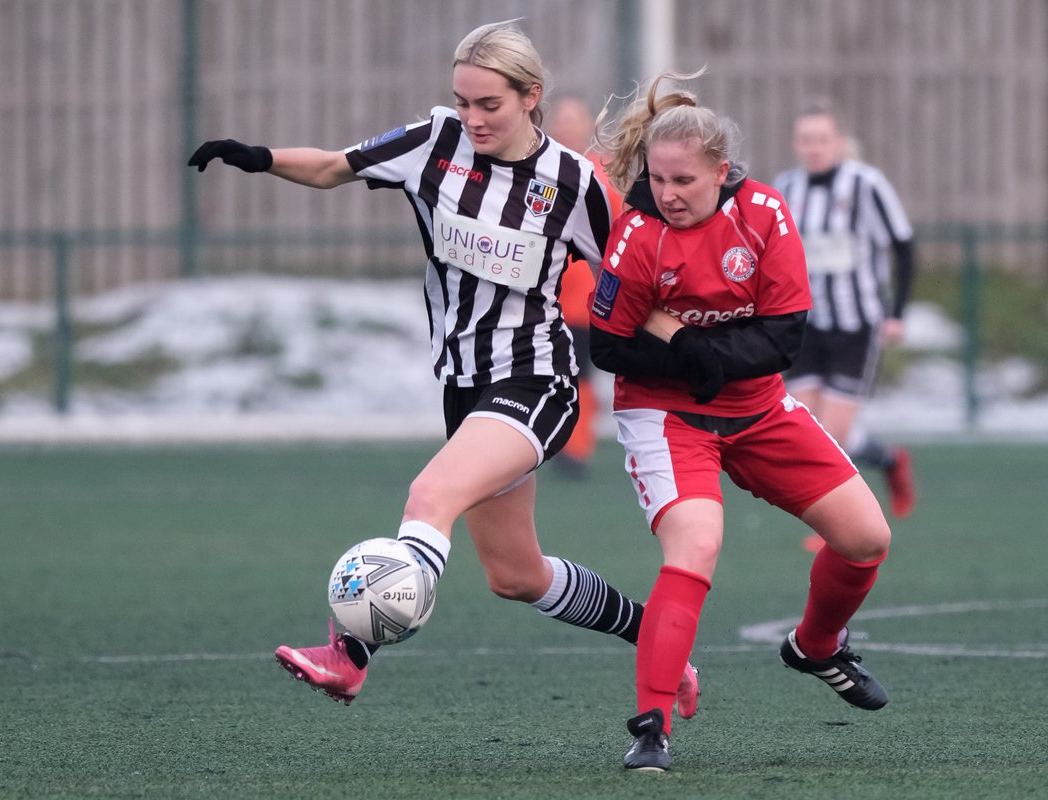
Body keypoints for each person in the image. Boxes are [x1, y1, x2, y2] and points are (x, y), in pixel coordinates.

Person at [186, 20, 698, 715]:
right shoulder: (433, 143)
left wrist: (700, 350)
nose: (472, 117)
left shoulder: (573, 182)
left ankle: (349, 654)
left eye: (489, 104)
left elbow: (629, 289)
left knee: (430, 499)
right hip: (464, 386)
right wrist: (260, 155)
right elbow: (336, 165)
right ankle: (651, 636)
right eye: (463, 101)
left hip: (537, 380)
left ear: (530, 97)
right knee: (516, 576)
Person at [588, 71, 892, 772]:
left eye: (684, 181)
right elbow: (607, 345)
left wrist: (693, 347)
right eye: (658, 179)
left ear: (721, 173)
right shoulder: (637, 234)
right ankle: (652, 727)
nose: (668, 194)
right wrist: (694, 364)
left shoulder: (765, 213)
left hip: (758, 408)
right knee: (696, 544)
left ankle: (816, 646)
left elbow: (783, 338)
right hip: (666, 417)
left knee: (866, 538)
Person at [773, 100, 917, 536]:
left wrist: (897, 313)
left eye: (822, 139)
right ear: (796, 144)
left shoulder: (867, 184)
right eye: (806, 140)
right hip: (807, 325)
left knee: (833, 432)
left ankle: (839, 529)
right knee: (809, 428)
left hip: (857, 323)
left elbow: (904, 245)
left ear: (837, 142)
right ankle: (889, 460)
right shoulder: (786, 187)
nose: (814, 148)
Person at [544, 97, 624, 474]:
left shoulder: (603, 172)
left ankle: (576, 447)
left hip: (590, 297)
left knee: (580, 371)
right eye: (561, 120)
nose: (567, 128)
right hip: (544, 294)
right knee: (551, 370)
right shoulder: (540, 167)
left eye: (574, 121)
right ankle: (557, 441)